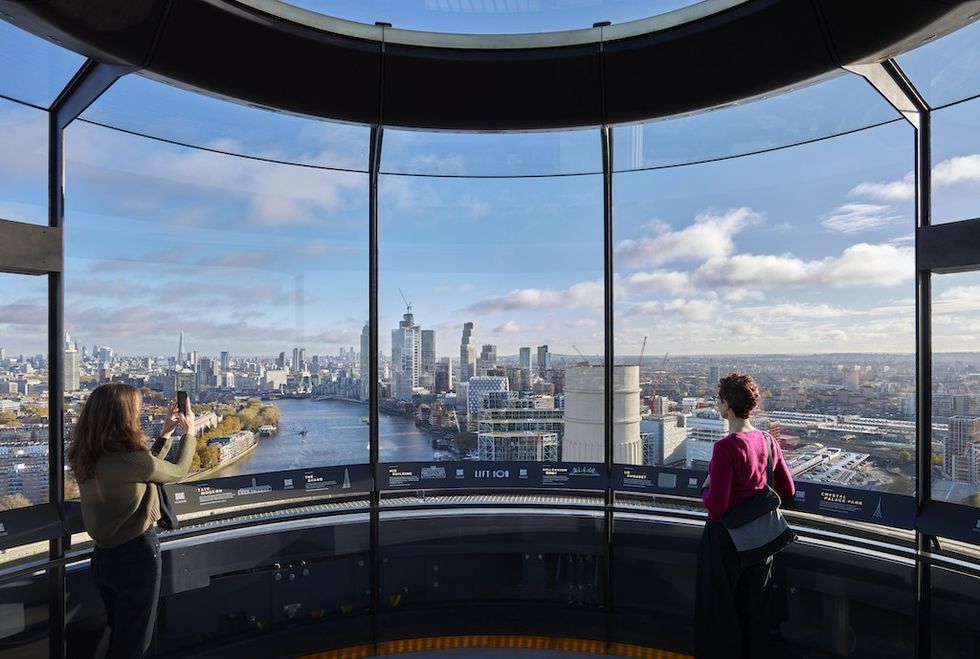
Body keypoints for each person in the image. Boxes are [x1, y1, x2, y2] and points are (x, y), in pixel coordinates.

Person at [67, 383, 195, 658]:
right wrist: (190, 433)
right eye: (135, 410)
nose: (138, 415)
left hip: (103, 559)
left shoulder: (86, 455)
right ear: (122, 416)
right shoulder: (128, 460)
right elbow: (177, 471)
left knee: (121, 637)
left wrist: (164, 435)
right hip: (137, 556)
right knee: (136, 645)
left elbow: (144, 470)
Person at [695, 373, 795, 659]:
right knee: (755, 608)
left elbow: (717, 508)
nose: (716, 404)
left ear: (726, 405)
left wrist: (705, 489)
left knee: (720, 612)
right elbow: (787, 489)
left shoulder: (726, 447)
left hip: (726, 541)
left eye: (718, 400)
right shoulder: (766, 440)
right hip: (762, 538)